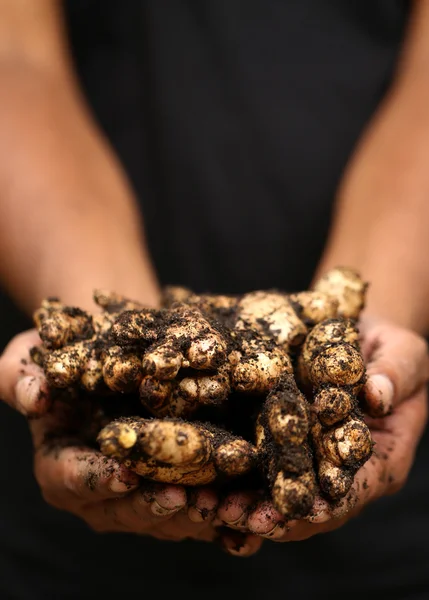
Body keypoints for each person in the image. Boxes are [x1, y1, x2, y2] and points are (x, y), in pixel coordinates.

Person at [0, 0, 428, 598]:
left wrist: (364, 310)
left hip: (387, 555)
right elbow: (15, 61)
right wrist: (106, 330)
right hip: (72, 563)